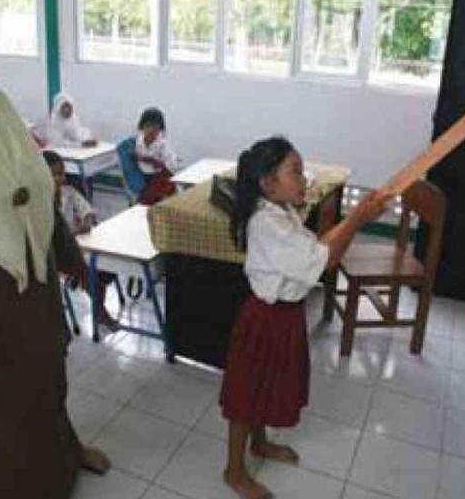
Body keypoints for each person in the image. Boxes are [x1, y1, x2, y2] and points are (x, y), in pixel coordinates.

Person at [0, 0, 109, 498]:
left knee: (46, 385)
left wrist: (67, 253)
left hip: (30, 292)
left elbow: (32, 189)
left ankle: (64, 461)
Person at [219, 136, 387, 498]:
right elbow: (325, 259)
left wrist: (344, 220)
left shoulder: (283, 213)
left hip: (283, 316)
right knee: (246, 395)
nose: (303, 177)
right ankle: (234, 471)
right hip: (264, 318)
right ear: (267, 183)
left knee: (263, 387)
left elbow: (317, 248)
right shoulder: (267, 224)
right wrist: (357, 218)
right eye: (295, 171)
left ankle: (259, 445)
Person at [43, 150, 120, 330]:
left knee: (104, 266)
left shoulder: (68, 192)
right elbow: (51, 234)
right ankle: (101, 313)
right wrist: (75, 230)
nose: (61, 178)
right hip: (57, 252)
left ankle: (86, 291)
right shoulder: (41, 202)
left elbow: (86, 209)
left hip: (77, 244)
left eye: (62, 173)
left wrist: (87, 219)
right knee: (89, 271)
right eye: (55, 174)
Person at [135, 107, 180, 205]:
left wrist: (154, 162)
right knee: (142, 197)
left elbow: (172, 166)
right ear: (142, 127)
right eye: (148, 126)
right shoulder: (138, 142)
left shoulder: (163, 144)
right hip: (143, 176)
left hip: (160, 177)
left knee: (153, 198)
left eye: (155, 127)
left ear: (160, 129)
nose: (151, 130)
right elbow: (135, 158)